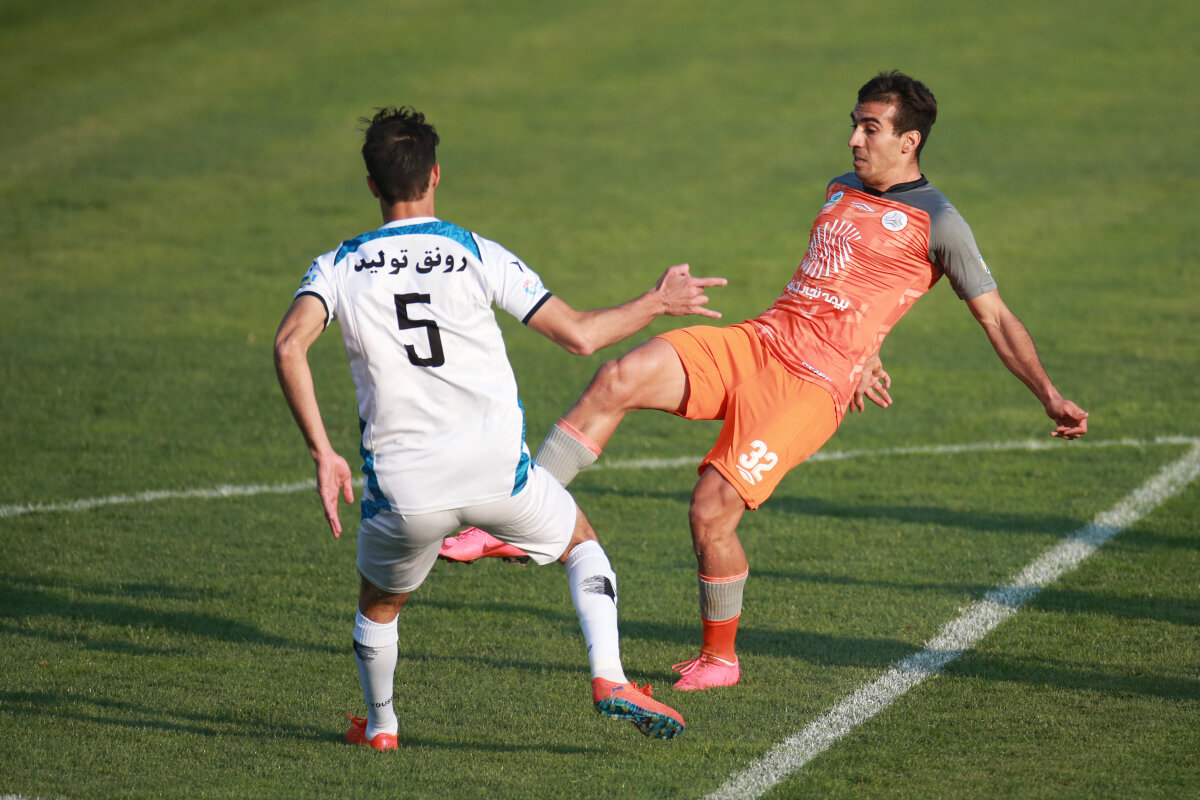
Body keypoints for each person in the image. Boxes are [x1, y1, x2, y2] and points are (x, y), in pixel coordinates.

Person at [443, 70, 1089, 691]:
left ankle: (720, 659)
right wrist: (870, 348)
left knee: (710, 512)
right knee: (618, 377)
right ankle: (515, 522)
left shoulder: (940, 223)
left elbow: (996, 318)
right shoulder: (841, 187)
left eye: (869, 128)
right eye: (854, 124)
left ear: (908, 141)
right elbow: (852, 282)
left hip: (810, 387)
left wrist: (1049, 395)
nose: (853, 139)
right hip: (761, 340)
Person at [273, 106, 727, 747]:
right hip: (497, 475)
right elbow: (579, 335)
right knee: (582, 545)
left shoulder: (338, 266)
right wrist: (658, 302)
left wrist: (323, 452)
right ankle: (610, 677)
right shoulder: (473, 251)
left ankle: (380, 727)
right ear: (436, 174)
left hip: (405, 490)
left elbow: (289, 345)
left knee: (379, 605)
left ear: (372, 184)